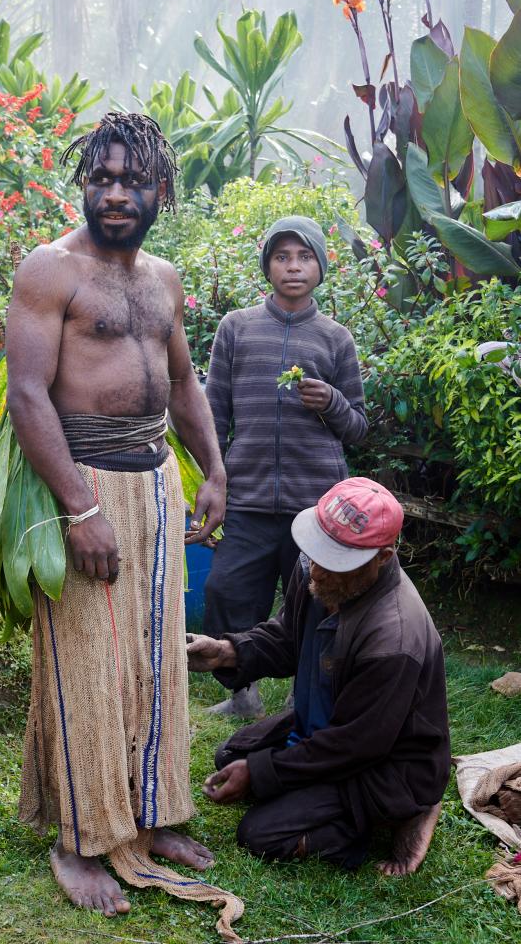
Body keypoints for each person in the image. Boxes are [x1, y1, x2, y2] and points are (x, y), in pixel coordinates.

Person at [6, 113, 241, 932]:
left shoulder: (163, 279)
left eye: (131, 181)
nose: (114, 194)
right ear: (82, 184)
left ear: (160, 192)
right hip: (82, 486)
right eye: (100, 178)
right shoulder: (50, 270)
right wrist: (80, 508)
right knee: (83, 664)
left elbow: (182, 385)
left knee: (153, 656)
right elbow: (28, 395)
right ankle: (77, 839)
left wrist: (211, 469)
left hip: (154, 484)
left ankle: (156, 808)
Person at [188, 477, 450, 875]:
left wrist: (263, 773)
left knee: (261, 834)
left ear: (382, 557)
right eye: (317, 550)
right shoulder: (313, 566)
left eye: (338, 560)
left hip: (382, 762)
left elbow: (353, 746)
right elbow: (286, 640)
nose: (319, 570)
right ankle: (318, 790)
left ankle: (408, 809)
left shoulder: (394, 638)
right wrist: (226, 652)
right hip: (327, 726)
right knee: (231, 755)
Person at [203, 216, 368, 718]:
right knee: (226, 590)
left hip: (314, 502)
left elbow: (358, 427)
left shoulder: (335, 338)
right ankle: (242, 694)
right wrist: (213, 476)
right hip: (249, 498)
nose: (293, 267)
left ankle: (305, 698)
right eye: (282, 257)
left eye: (304, 257)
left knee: (318, 602)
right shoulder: (236, 328)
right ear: (267, 267)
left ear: (320, 266)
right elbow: (214, 413)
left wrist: (332, 401)